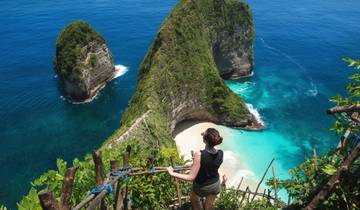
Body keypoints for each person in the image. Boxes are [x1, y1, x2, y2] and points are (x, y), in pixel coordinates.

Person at [167, 128, 224, 210]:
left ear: (204, 140)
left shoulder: (199, 155)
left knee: (194, 199)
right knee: (209, 207)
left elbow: (191, 177)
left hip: (202, 186)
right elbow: (210, 165)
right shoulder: (220, 153)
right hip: (215, 184)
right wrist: (194, 165)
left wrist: (172, 172)